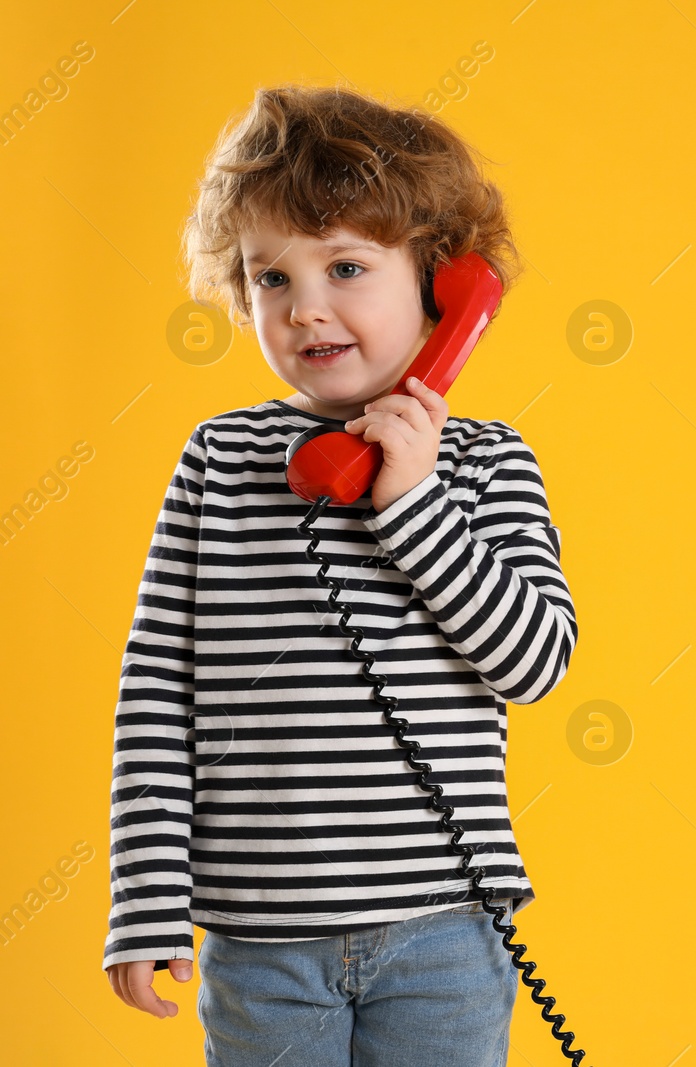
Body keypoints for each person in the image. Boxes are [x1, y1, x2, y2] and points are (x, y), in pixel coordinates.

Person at [102, 84, 578, 1067]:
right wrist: (147, 898)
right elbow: (157, 689)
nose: (305, 306)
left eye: (347, 266)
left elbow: (533, 661)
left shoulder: (487, 464)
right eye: (269, 278)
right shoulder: (221, 462)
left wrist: (412, 504)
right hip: (261, 941)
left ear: (449, 291)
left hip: (443, 928)